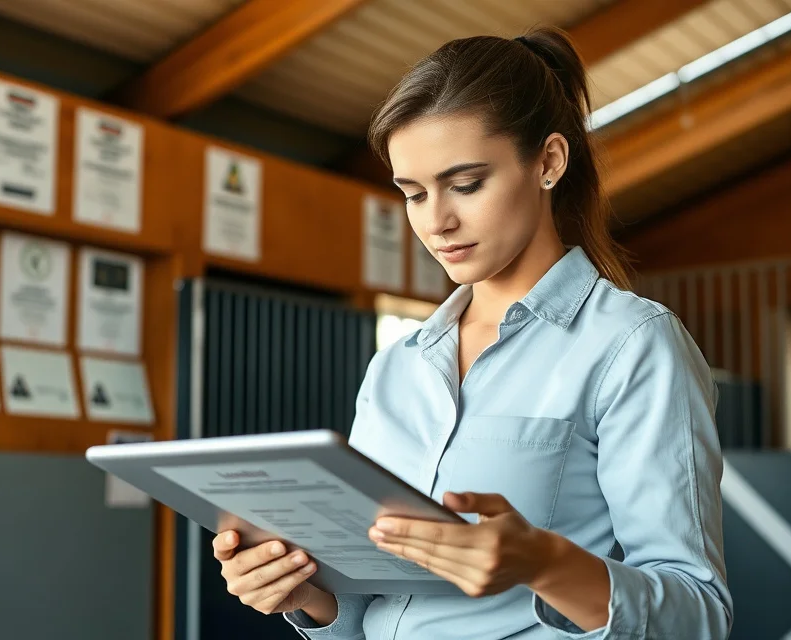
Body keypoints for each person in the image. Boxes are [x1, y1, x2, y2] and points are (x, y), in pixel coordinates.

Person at [211, 26, 733, 639]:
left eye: (465, 185)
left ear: (548, 162)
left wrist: (544, 562)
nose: (437, 222)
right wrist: (308, 597)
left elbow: (698, 615)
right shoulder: (397, 366)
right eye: (413, 194)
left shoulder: (631, 345)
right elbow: (371, 608)